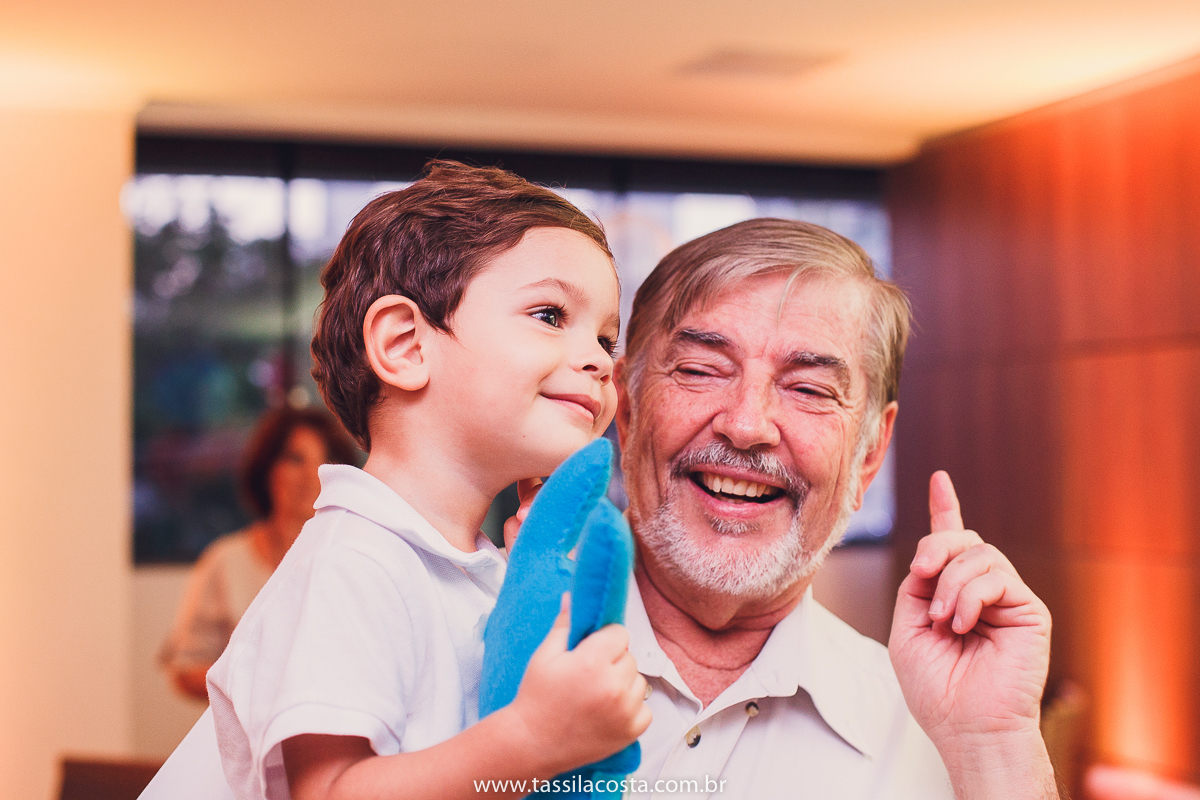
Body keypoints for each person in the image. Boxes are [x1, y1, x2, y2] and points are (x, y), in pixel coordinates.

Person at [203, 162, 650, 800]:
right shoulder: (355, 563)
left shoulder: (480, 572)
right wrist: (533, 738)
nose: (601, 362)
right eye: (551, 315)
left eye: (607, 338)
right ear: (407, 345)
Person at [603, 218, 1057, 799]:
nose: (746, 425)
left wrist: (995, 751)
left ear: (870, 451)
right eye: (700, 370)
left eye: (809, 390)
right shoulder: (477, 636)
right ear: (628, 409)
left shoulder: (941, 732)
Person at [160, 406, 358, 701]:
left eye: (325, 461)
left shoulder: (356, 558)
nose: (310, 475)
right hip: (246, 741)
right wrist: (256, 685)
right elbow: (185, 667)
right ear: (266, 469)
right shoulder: (225, 560)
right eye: (295, 459)